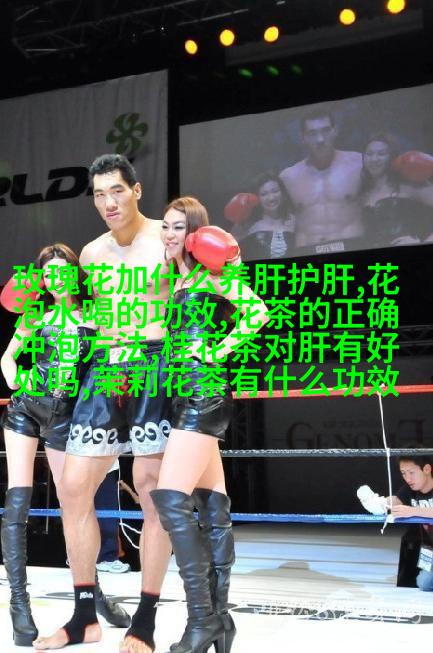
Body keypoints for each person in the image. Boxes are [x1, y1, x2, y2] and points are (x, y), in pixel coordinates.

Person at [34, 155, 172, 653]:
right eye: (98, 194)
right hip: (106, 369)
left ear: (136, 190)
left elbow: (202, 298)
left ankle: (145, 619)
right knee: (73, 488)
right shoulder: (91, 254)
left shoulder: (167, 239)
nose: (108, 202)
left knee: (152, 489)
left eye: (116, 191)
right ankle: (84, 616)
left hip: (157, 366)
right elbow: (89, 315)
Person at [150, 196, 269, 653]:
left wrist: (216, 351)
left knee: (170, 497)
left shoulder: (211, 274)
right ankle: (221, 620)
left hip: (203, 391)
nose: (168, 234)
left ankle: (202, 619)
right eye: (165, 226)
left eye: (178, 227)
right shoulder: (178, 279)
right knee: (212, 505)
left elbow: (257, 313)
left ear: (196, 234)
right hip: (183, 392)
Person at [0, 243, 129, 647]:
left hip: (68, 420)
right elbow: (7, 358)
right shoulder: (33, 315)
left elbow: (119, 358)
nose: (56, 279)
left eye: (62, 271)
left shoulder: (96, 316)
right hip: (26, 409)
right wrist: (14, 377)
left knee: (76, 508)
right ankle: (19, 604)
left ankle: (93, 597)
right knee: (18, 499)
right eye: (48, 273)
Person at [279, 108, 364, 253]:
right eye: (312, 133)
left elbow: (390, 190)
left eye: (325, 131)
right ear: (303, 137)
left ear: (335, 131)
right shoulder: (288, 177)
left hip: (352, 246)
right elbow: (270, 217)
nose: (320, 139)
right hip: (307, 252)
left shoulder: (359, 163)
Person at [361, 133, 433, 247]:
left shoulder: (408, 185)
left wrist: (424, 242)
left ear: (392, 157)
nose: (374, 159)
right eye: (369, 154)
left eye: (381, 154)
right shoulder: (363, 192)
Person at [390, 455, 433, 591]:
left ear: (426, 469)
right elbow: (395, 501)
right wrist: (376, 502)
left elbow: (411, 510)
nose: (408, 479)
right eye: (403, 473)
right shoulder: (409, 489)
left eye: (412, 472)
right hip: (430, 548)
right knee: (424, 582)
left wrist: (413, 511)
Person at [235, 172, 295, 260]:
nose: (271, 198)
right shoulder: (248, 226)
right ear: (256, 198)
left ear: (283, 193)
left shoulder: (294, 220)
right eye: (264, 194)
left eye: (275, 191)